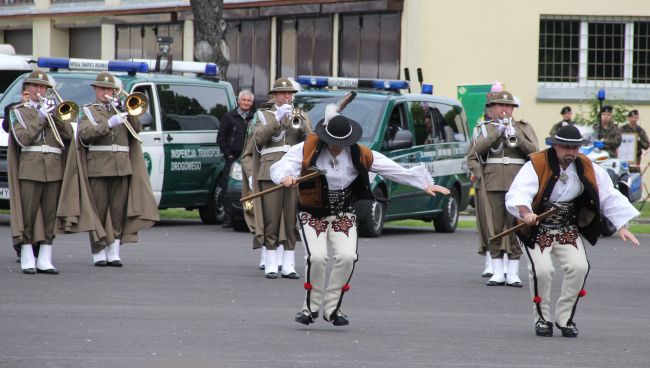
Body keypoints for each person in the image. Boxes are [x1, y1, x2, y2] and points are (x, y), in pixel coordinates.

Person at [270, 111, 450, 326]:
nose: (336, 147)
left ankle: (333, 308)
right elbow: (283, 164)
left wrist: (423, 183)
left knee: (348, 256)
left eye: (342, 143)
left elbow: (391, 169)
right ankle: (310, 308)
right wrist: (286, 176)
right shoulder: (307, 147)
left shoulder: (360, 154)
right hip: (312, 213)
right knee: (316, 257)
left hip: (342, 213)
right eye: (332, 142)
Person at [505, 125, 640, 337]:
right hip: (536, 228)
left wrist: (621, 224)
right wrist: (526, 212)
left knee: (579, 267)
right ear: (556, 146)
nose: (571, 153)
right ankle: (542, 318)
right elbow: (519, 192)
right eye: (566, 148)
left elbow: (607, 194)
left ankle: (565, 318)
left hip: (566, 228)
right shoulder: (537, 163)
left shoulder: (586, 166)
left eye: (575, 148)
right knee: (542, 271)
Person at [77, 71, 158, 267]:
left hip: (121, 166)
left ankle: (113, 250)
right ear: (96, 90)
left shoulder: (121, 108)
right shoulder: (87, 110)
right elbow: (85, 134)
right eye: (102, 88)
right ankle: (98, 250)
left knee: (117, 211)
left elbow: (136, 129)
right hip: (98, 166)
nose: (106, 92)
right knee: (98, 210)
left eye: (110, 89)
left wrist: (128, 112)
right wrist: (109, 123)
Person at [240, 77, 312, 279]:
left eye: (290, 93)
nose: (288, 97)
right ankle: (271, 261)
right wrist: (277, 120)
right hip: (269, 170)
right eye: (284, 93)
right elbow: (258, 140)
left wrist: (302, 122)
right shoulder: (262, 116)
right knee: (272, 218)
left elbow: (310, 141)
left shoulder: (299, 114)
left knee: (291, 219)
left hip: (293, 171)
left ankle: (288, 263)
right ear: (274, 95)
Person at [7, 70, 74, 274]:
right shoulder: (18, 112)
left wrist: (56, 116)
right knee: (27, 213)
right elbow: (23, 139)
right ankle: (27, 255)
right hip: (30, 167)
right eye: (35, 86)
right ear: (26, 89)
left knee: (50, 214)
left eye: (43, 87)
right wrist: (41, 116)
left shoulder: (54, 111)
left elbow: (69, 136)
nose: (40, 90)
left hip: (53, 168)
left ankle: (45, 257)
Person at [474, 90, 539, 287]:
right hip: (493, 181)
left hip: (518, 182)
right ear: (491, 108)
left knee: (517, 225)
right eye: (500, 105)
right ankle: (496, 270)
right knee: (494, 225)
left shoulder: (523, 127)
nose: (504, 109)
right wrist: (497, 133)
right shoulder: (485, 129)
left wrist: (516, 136)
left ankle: (513, 271)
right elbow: (477, 151)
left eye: (508, 106)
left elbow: (535, 152)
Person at [218, 89, 254, 228]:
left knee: (249, 187)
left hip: (250, 157)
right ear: (238, 101)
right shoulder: (229, 117)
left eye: (248, 100)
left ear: (252, 102)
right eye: (243, 100)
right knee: (228, 187)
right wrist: (229, 155)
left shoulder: (255, 118)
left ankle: (248, 215)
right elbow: (221, 138)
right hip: (233, 158)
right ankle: (229, 217)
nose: (245, 103)